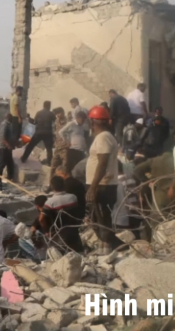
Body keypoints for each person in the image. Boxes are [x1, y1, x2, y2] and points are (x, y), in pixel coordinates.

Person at [85, 105, 123, 253]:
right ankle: (109, 247)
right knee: (99, 218)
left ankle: (112, 248)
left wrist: (93, 187)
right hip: (103, 184)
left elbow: (102, 164)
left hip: (102, 185)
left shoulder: (103, 138)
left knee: (100, 219)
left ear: (93, 122)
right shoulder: (105, 137)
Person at [42, 176, 83, 253]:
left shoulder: (50, 202)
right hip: (74, 232)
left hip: (60, 235)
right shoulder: (73, 197)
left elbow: (41, 219)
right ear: (63, 185)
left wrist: (47, 231)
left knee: (62, 256)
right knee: (79, 253)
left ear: (52, 187)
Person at [0, 113, 14, 180]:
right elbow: (2, 137)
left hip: (7, 147)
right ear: (8, 117)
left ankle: (10, 177)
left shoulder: (8, 124)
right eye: (11, 118)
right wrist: (8, 145)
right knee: (2, 163)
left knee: (10, 163)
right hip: (3, 147)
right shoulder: (4, 124)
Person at [49, 107, 68, 173]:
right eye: (56, 114)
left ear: (63, 113)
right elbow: (54, 130)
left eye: (58, 113)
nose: (57, 115)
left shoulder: (68, 122)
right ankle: (51, 179)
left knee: (65, 165)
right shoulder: (56, 121)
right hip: (57, 146)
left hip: (65, 147)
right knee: (53, 165)